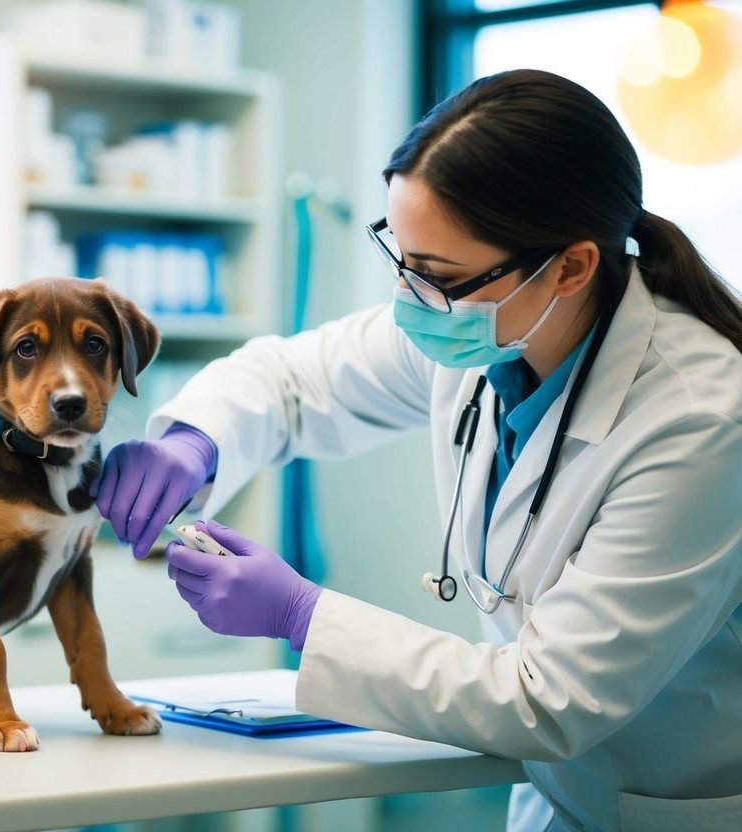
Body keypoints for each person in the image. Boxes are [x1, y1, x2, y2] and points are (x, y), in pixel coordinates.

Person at [91, 69, 742, 832]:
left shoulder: (700, 422)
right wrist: (192, 441)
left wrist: (302, 615)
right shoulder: (488, 333)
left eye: (437, 276)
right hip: (560, 799)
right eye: (400, 260)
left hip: (674, 806)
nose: (408, 299)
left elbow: (548, 697)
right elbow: (290, 381)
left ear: (569, 266)